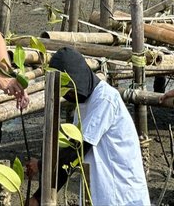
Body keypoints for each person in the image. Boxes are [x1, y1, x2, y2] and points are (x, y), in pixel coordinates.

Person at [26, 47, 150, 206]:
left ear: (81, 78)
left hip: (122, 196)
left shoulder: (105, 99)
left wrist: (42, 165)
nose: (69, 96)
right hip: (100, 195)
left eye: (71, 90)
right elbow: (70, 163)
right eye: (66, 92)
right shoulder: (82, 104)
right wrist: (37, 198)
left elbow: (78, 149)